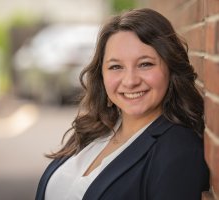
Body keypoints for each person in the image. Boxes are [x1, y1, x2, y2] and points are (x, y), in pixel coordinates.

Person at [36, 8, 209, 200]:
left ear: (170, 67)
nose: (130, 81)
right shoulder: (95, 129)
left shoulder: (178, 149)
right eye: (116, 67)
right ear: (101, 75)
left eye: (145, 64)